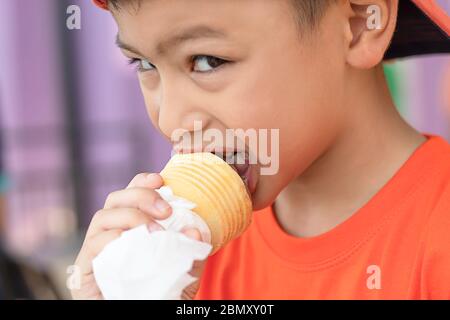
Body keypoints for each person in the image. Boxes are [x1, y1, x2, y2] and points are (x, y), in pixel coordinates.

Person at [72, 0, 450, 299]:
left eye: (208, 61)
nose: (170, 120)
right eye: (145, 63)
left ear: (355, 26)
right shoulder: (184, 256)